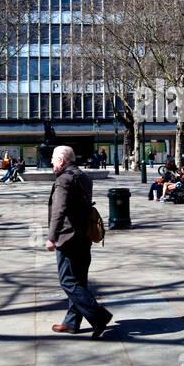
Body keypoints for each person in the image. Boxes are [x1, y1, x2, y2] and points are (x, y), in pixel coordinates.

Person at [46, 145, 112, 338]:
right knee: (79, 279)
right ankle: (72, 322)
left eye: (52, 158)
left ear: (60, 160)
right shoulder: (83, 176)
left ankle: (99, 316)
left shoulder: (63, 180)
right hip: (85, 235)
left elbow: (59, 211)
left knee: (67, 280)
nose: (51, 162)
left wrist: (52, 237)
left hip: (68, 237)